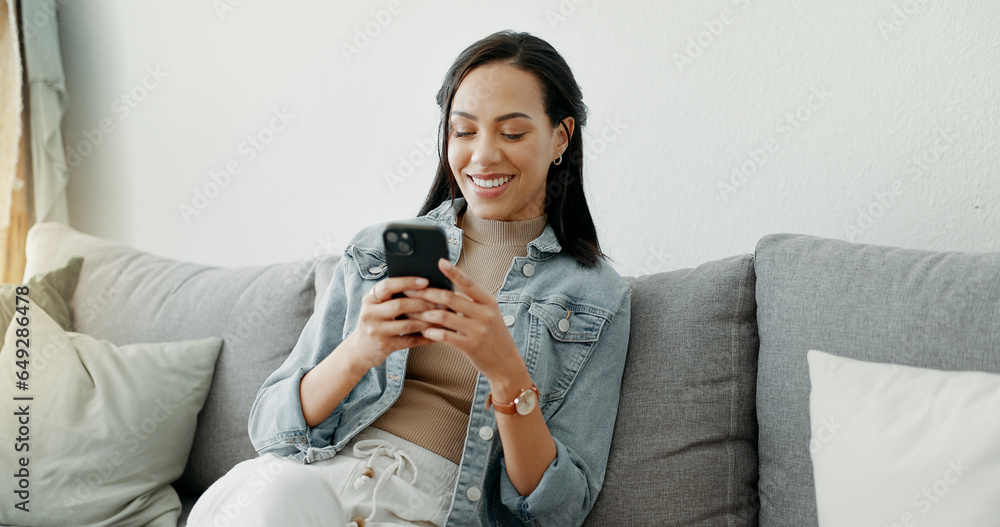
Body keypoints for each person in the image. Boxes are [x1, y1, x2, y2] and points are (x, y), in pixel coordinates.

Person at [188, 29, 630, 527]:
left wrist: (508, 373)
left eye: (512, 133)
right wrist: (360, 350)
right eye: (463, 132)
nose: (482, 156)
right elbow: (271, 428)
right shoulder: (378, 251)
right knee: (277, 497)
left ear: (560, 138)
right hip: (303, 485)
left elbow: (558, 510)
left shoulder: (595, 297)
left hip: (429, 509)